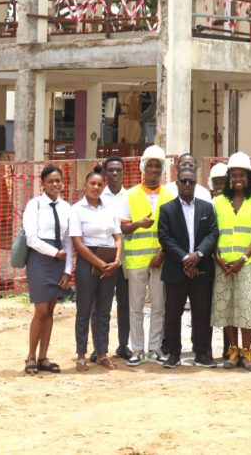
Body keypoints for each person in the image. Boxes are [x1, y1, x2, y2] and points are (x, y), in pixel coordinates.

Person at [115, 144, 173, 366]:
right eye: (150, 166)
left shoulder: (169, 196)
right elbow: (124, 228)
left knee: (159, 305)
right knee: (136, 307)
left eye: (158, 166)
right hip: (136, 260)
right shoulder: (129, 195)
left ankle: (155, 348)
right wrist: (139, 224)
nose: (154, 170)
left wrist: (163, 253)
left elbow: (173, 231)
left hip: (161, 260)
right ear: (143, 168)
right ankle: (137, 349)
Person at [157, 167, 219, 368]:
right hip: (176, 268)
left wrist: (198, 255)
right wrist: (185, 258)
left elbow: (213, 233)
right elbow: (164, 237)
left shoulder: (206, 208)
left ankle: (202, 353)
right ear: (177, 184)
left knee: (202, 313)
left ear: (196, 184)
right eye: (183, 181)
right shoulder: (166, 209)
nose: (186, 185)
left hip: (202, 268)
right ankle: (174, 354)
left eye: (190, 182)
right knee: (173, 314)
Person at [212, 152, 251, 371]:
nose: (237, 179)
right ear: (228, 178)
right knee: (227, 307)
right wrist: (218, 258)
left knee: (246, 307)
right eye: (233, 175)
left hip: (248, 263)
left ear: (248, 177)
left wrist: (243, 259)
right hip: (223, 264)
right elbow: (213, 232)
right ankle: (233, 351)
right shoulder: (218, 202)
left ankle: (247, 352)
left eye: (241, 175)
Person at [21, 165, 73, 375]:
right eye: (50, 181)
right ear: (42, 184)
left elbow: (69, 241)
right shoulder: (34, 205)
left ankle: (43, 357)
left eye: (58, 181)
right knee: (41, 310)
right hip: (40, 260)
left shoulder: (66, 207)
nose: (55, 185)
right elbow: (31, 238)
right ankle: (31, 356)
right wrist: (54, 253)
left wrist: (68, 270)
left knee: (51, 310)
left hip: (59, 261)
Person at [70, 167, 123, 372]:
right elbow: (78, 243)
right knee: (84, 309)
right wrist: (98, 263)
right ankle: (81, 355)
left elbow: (118, 237)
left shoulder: (110, 208)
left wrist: (116, 261)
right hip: (88, 260)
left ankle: (102, 353)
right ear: (86, 185)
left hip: (110, 259)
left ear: (104, 186)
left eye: (100, 184)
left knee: (104, 310)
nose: (96, 187)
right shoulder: (77, 209)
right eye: (92, 183)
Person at [99, 156, 132, 363]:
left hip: (127, 258)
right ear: (105, 173)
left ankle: (123, 345)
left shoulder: (130, 197)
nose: (114, 174)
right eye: (110, 170)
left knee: (125, 303)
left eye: (118, 170)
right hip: (103, 257)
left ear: (123, 173)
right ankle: (99, 347)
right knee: (101, 304)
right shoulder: (97, 196)